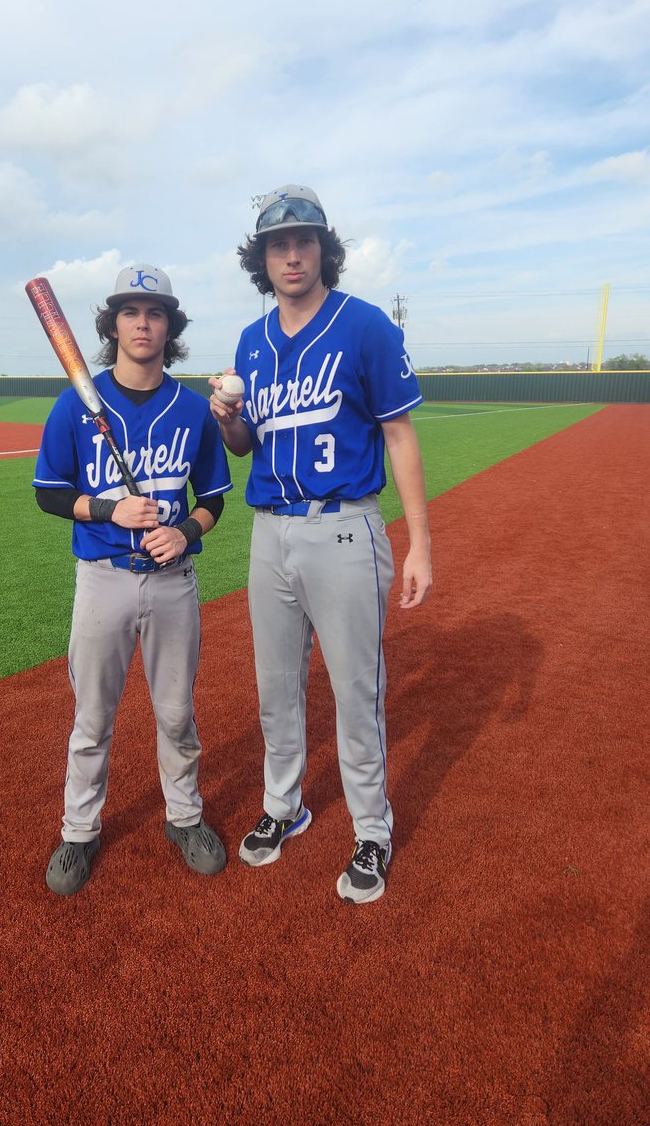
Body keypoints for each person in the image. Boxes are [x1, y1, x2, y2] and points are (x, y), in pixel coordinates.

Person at [209, 186, 432, 904]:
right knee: (276, 687)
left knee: (354, 691)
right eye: (279, 245)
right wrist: (227, 420)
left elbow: (399, 433)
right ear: (262, 258)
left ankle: (372, 830)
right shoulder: (251, 340)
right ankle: (285, 808)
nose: (293, 254)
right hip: (270, 532)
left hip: (344, 526)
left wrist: (421, 543)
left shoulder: (364, 326)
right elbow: (246, 446)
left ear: (323, 249)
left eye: (304, 241)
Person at [34, 263, 233, 895]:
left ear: (169, 326)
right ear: (113, 324)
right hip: (102, 578)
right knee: (93, 718)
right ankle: (79, 832)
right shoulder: (77, 402)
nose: (142, 323)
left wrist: (187, 531)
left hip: (173, 581)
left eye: (154, 313)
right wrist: (106, 508)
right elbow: (47, 492)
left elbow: (215, 499)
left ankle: (184, 817)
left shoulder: (194, 410)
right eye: (129, 312)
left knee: (176, 714)